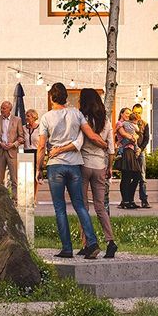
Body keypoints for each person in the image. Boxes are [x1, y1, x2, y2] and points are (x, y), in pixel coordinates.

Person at [37, 81, 101, 259]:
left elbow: (41, 146)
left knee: (60, 208)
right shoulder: (76, 113)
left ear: (51, 98)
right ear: (66, 97)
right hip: (74, 165)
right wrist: (106, 146)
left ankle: (67, 248)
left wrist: (38, 168)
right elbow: (90, 135)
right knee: (79, 205)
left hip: (55, 165)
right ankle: (92, 243)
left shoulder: (46, 118)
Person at [78, 87, 119, 258]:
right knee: (100, 206)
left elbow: (78, 142)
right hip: (100, 166)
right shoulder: (106, 120)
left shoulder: (83, 118)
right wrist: (109, 167)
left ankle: (87, 244)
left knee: (83, 206)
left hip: (83, 164)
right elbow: (111, 148)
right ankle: (110, 242)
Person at [0, 99, 24, 188]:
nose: (2, 110)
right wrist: (0, 143)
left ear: (10, 109)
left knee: (14, 179)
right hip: (0, 152)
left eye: (4, 108)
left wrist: (13, 144)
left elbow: (21, 138)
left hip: (12, 153)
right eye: (1, 108)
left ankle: (15, 196)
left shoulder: (17, 120)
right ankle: (0, 196)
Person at [115, 107, 141, 209]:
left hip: (132, 151)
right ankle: (125, 201)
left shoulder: (130, 124)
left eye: (130, 114)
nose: (128, 115)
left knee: (136, 176)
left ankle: (130, 200)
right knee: (126, 177)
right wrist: (133, 137)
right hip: (125, 151)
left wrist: (135, 136)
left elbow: (137, 134)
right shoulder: (119, 123)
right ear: (121, 114)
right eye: (126, 113)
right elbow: (124, 134)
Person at [129, 103, 153, 209]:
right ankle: (128, 200)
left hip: (140, 152)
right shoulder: (127, 123)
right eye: (135, 112)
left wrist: (140, 149)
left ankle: (144, 200)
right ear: (132, 111)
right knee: (131, 177)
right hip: (130, 152)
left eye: (139, 112)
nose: (137, 114)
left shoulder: (145, 124)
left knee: (142, 177)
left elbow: (146, 139)